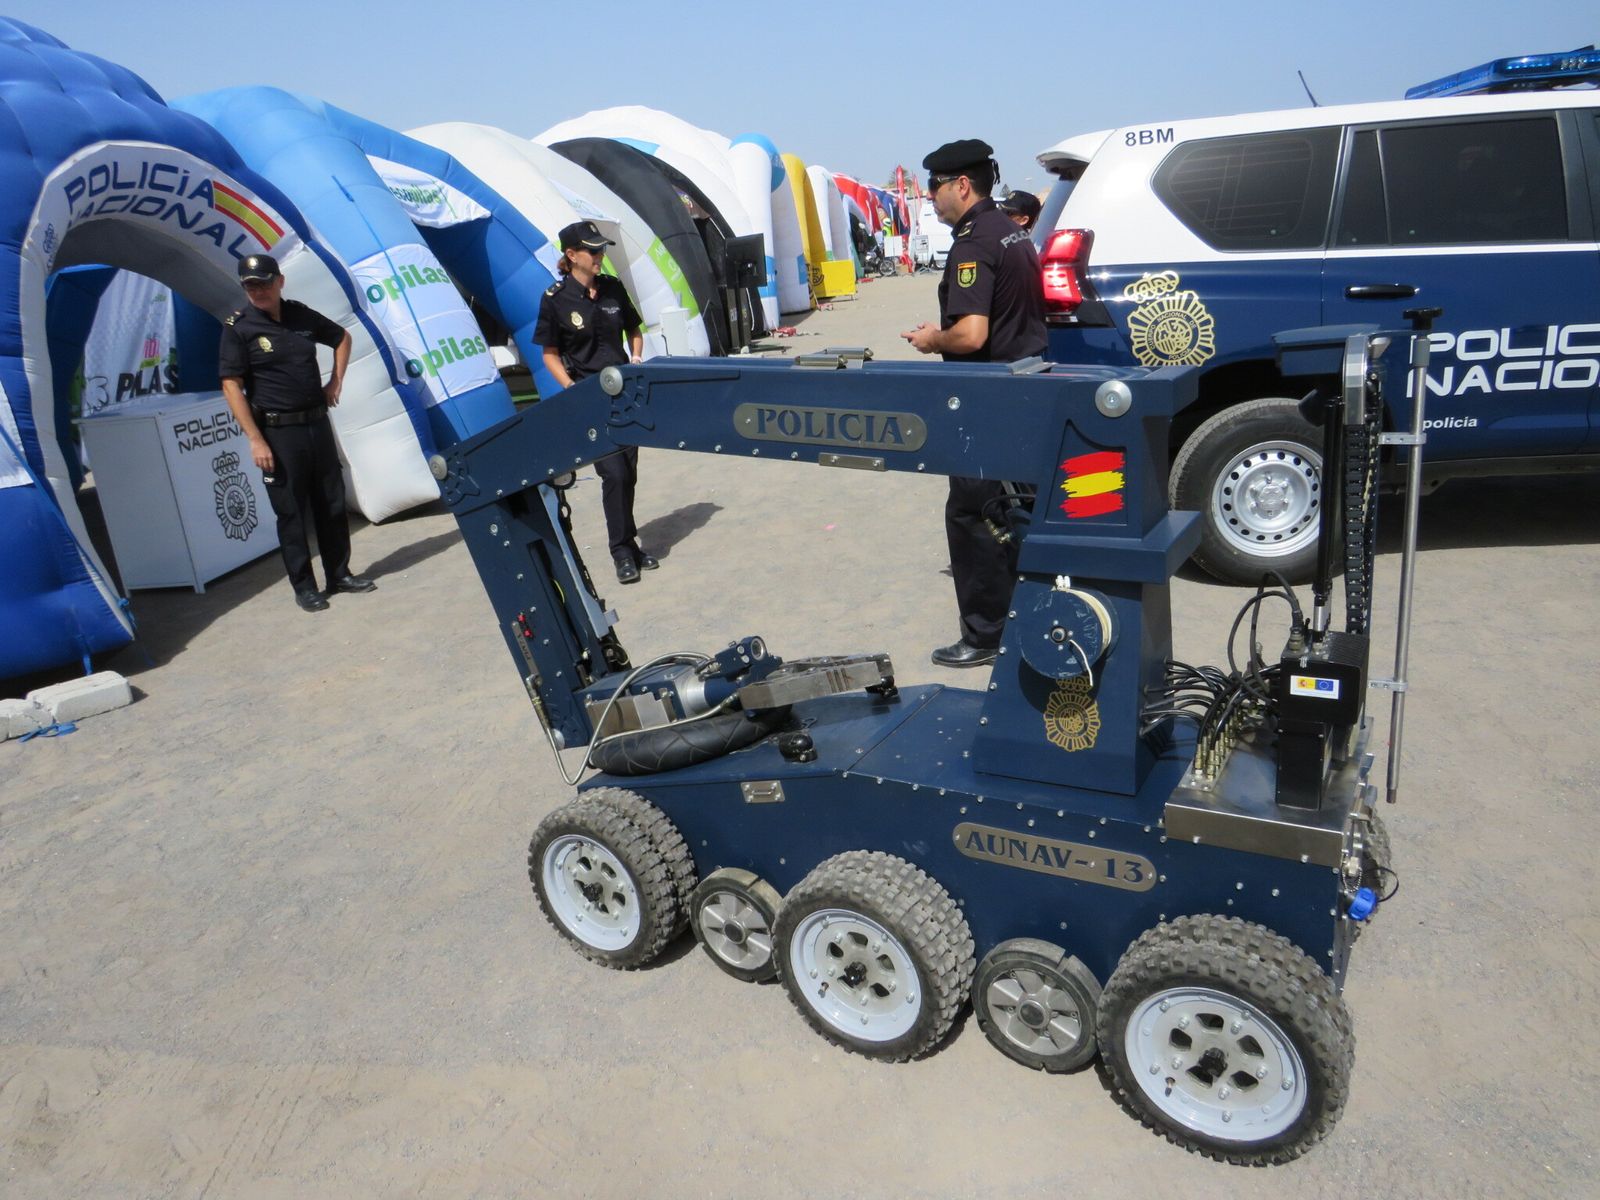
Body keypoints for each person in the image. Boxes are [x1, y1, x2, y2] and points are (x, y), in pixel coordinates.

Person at [901, 139, 1047, 668]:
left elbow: (970, 334)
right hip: (1024, 387)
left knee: (973, 515)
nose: (931, 198)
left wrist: (931, 339)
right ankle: (1032, 619)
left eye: (935, 187)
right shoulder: (1011, 231)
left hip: (987, 400)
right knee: (1018, 513)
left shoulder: (972, 243)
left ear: (962, 184)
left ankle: (985, 636)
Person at [219, 254, 375, 613]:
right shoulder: (238, 328)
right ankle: (304, 587)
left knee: (332, 503)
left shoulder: (300, 315)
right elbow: (231, 385)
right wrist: (255, 439)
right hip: (278, 433)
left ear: (280, 282)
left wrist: (335, 381)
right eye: (250, 285)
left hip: (317, 424)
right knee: (291, 513)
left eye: (263, 282)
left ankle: (339, 574)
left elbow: (341, 337)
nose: (257, 290)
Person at [535, 220, 656, 585]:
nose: (601, 255)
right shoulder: (555, 299)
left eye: (602, 249)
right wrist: (571, 386)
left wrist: (635, 357)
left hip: (625, 393)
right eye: (593, 250)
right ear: (572, 256)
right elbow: (549, 354)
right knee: (614, 473)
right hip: (590, 398)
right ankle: (620, 551)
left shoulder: (613, 290)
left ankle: (630, 545)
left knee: (629, 473)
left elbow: (634, 330)